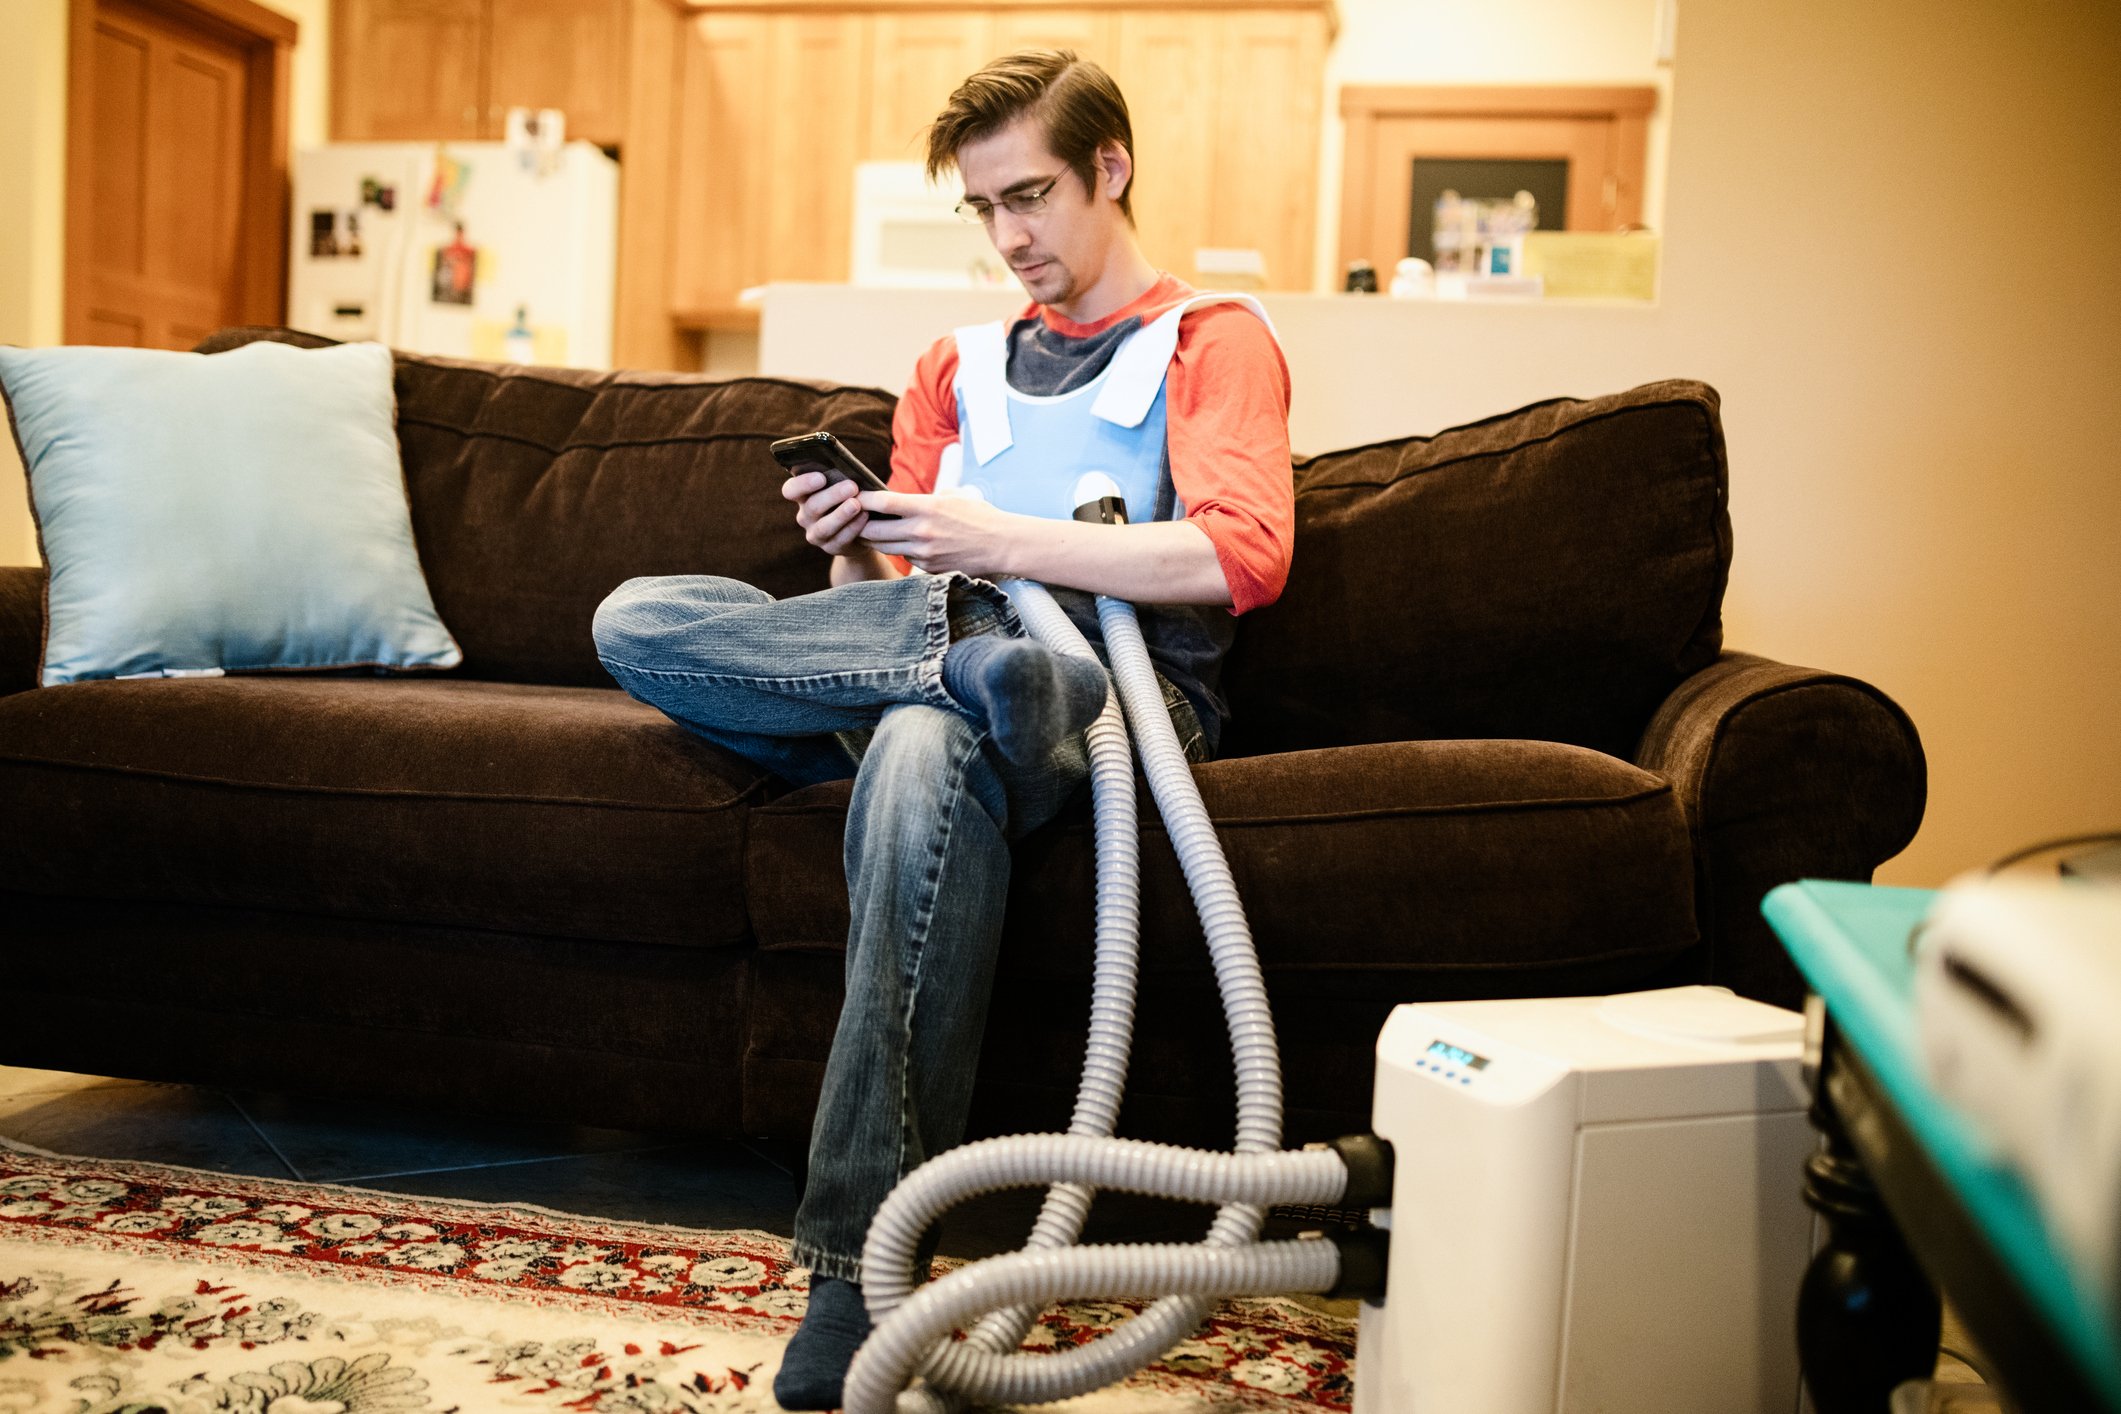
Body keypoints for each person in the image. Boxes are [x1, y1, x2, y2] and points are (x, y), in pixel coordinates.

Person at [589, 48, 1294, 1408]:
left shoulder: (1212, 340)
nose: (1008, 236)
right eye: (983, 208)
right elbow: (894, 585)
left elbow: (1242, 556)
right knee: (642, 620)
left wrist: (998, 541)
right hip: (952, 668)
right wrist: (851, 548)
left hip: (1116, 705)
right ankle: (968, 669)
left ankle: (851, 1275)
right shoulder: (951, 368)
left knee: (928, 732)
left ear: (1110, 169)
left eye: (1030, 196)